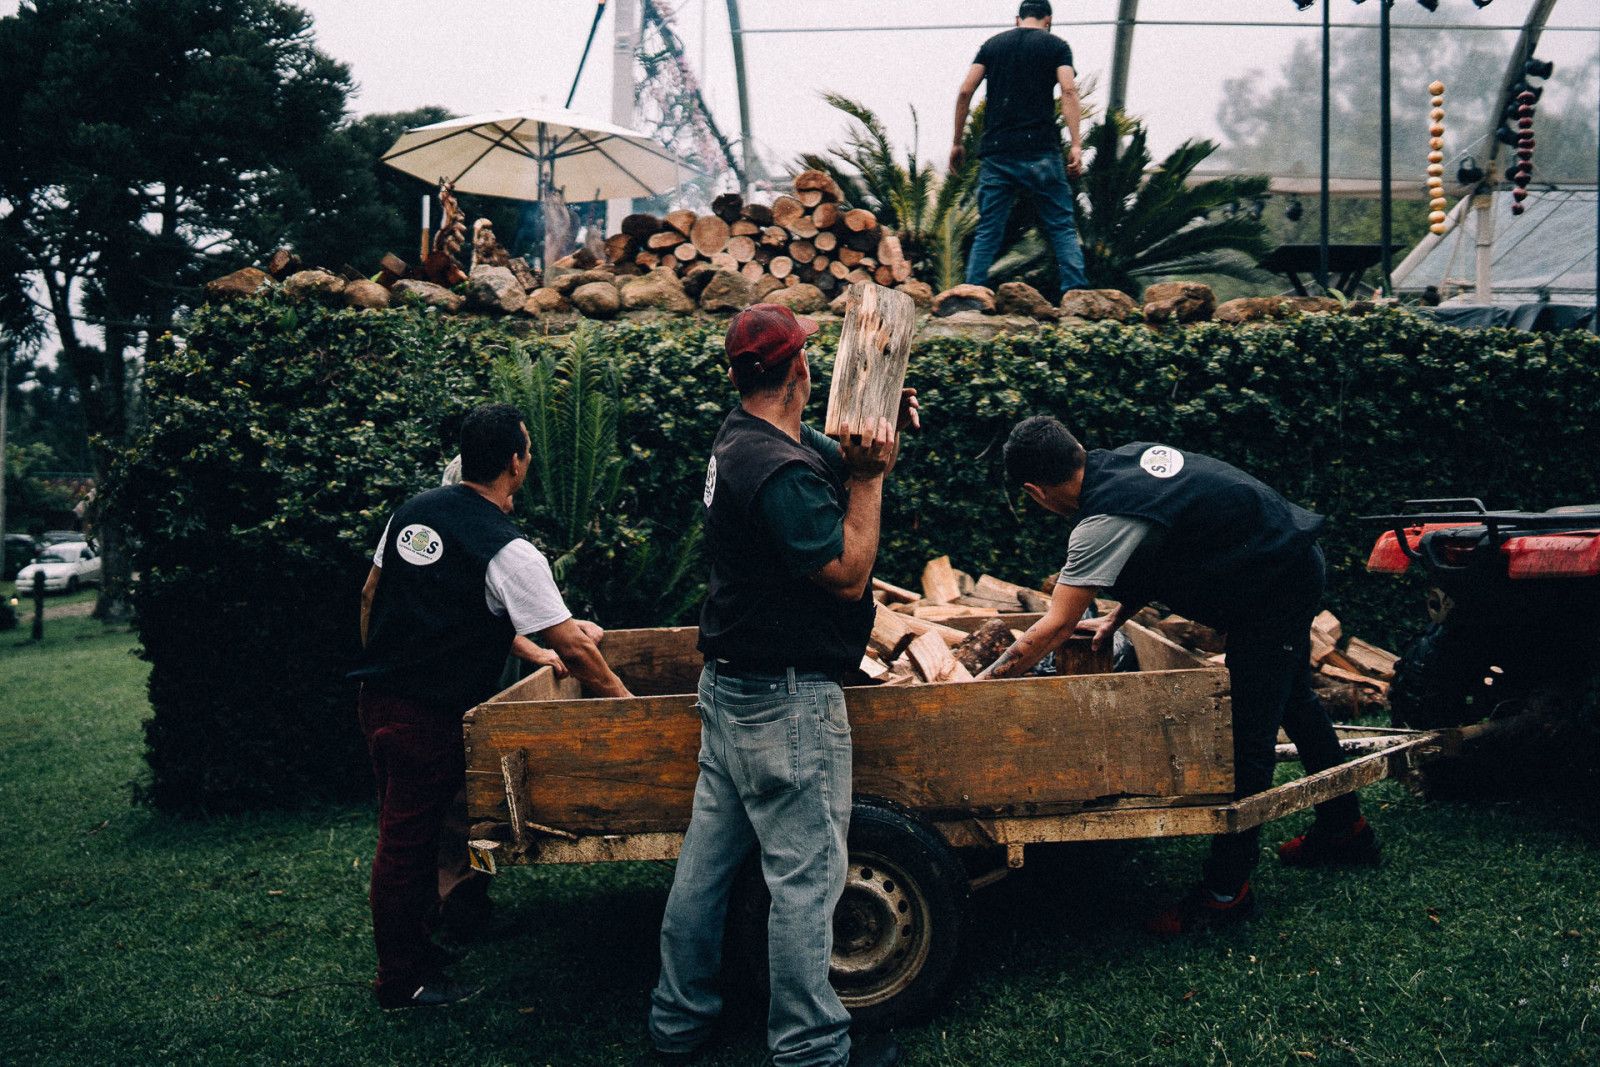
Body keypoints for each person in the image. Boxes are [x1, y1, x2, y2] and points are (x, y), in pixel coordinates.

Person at [980, 416, 1379, 935]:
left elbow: (1055, 626)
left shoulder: (1101, 519)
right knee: (1296, 702)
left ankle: (1224, 894)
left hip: (1277, 585)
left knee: (1249, 744)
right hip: (1291, 558)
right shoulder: (1122, 463)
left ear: (1035, 491)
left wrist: (979, 685)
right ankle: (1345, 828)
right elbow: (1175, 538)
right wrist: (1118, 616)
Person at [647, 305, 916, 1067]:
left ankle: (679, 1024)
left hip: (733, 693)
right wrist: (869, 477)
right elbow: (847, 572)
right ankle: (810, 1049)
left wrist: (877, 429)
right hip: (787, 704)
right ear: (801, 369)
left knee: (705, 868)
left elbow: (819, 456)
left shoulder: (745, 438)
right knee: (806, 880)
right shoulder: (776, 471)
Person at [352, 402, 631, 1010]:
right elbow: (578, 651)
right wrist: (623, 699)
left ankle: (434, 938)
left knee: (426, 833)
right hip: (428, 715)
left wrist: (391, 659)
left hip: (381, 701)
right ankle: (403, 981)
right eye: (526, 450)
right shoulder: (510, 550)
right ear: (515, 463)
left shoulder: (413, 512)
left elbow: (377, 593)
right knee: (405, 845)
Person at [951, 0, 1089, 295]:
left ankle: (972, 294)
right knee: (1061, 224)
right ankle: (1075, 293)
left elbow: (965, 91)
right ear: (1048, 20)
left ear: (1017, 19)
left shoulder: (992, 45)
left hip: (998, 152)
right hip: (1040, 150)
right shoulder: (1057, 46)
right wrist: (1076, 144)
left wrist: (957, 142)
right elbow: (1068, 89)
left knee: (989, 229)